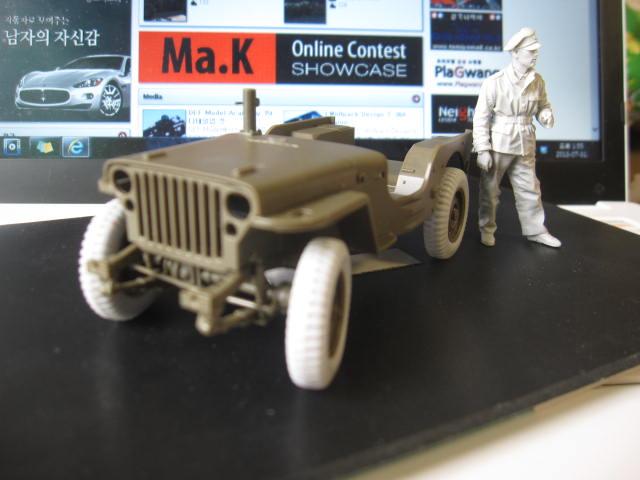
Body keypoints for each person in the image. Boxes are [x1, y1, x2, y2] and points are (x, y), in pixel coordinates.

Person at [473, 27, 561, 248]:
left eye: (535, 51)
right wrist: (482, 149)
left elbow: (543, 105)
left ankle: (536, 230)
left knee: (530, 189)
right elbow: (481, 117)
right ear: (515, 53)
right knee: (490, 191)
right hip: (499, 144)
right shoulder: (495, 82)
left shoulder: (537, 81)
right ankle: (486, 229)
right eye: (530, 51)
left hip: (525, 143)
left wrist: (545, 115)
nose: (535, 55)